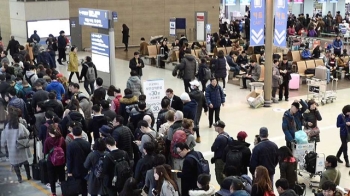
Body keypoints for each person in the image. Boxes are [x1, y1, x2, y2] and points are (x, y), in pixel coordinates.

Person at [0, 107, 31, 183]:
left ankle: (19, 178)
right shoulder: (20, 126)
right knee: (25, 162)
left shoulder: (7, 128)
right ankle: (28, 176)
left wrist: (3, 145)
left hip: (12, 150)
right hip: (20, 147)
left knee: (15, 164)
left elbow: (3, 140)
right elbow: (27, 133)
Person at [67, 126, 91, 196]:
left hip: (75, 169)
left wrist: (69, 171)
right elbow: (89, 157)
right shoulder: (87, 144)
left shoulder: (70, 145)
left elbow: (69, 159)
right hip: (85, 168)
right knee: (84, 186)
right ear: (81, 133)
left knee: (75, 186)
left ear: (72, 134)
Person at [44, 125, 66, 196]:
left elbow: (45, 151)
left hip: (51, 161)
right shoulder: (62, 139)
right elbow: (65, 149)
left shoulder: (47, 140)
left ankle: (53, 193)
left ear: (49, 132)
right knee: (62, 176)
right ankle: (63, 192)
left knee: (52, 177)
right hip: (61, 161)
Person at [211, 120, 231, 185]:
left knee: (219, 176)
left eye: (216, 126)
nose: (214, 127)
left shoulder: (219, 138)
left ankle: (223, 188)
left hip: (219, 160)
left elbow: (213, 148)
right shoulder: (227, 135)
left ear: (219, 128)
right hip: (225, 158)